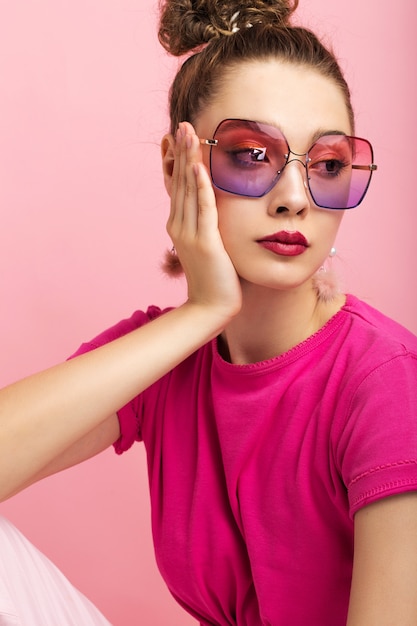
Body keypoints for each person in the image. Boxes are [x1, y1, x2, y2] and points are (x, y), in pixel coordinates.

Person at [0, 0, 416, 624]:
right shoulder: (165, 356)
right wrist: (204, 311)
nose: (295, 199)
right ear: (177, 166)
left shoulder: (387, 382)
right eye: (252, 155)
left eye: (328, 165)